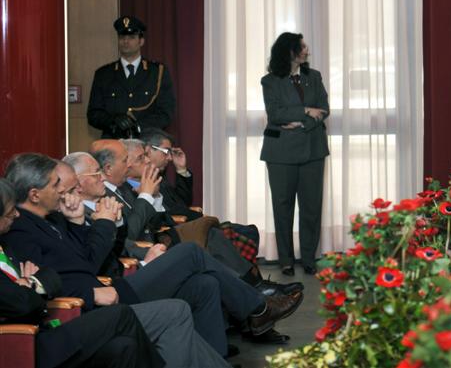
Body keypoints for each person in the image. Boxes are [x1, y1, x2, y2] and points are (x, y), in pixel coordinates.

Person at [2, 153, 302, 358]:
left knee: (204, 284)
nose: (65, 191)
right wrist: (102, 225)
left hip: (116, 282)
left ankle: (219, 353)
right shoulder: (22, 231)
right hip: (105, 294)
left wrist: (80, 223)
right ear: (35, 194)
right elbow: (82, 268)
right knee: (190, 253)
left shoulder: (52, 219)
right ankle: (258, 307)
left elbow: (84, 258)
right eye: (57, 185)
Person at [0, 177, 166, 368]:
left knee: (123, 347)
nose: (16, 214)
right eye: (10, 212)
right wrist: (34, 284)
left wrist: (31, 283)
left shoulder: (5, 245)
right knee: (122, 313)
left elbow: (51, 278)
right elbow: (22, 303)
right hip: (24, 344)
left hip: (48, 326)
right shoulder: (18, 235)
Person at [261, 32, 329, 276]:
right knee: (283, 207)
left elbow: (324, 109)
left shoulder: (314, 77)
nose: (306, 50)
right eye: (302, 47)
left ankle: (309, 258)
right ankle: (286, 260)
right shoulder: (270, 81)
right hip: (280, 153)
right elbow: (275, 114)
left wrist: (301, 122)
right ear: (289, 52)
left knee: (311, 208)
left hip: (313, 150)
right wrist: (306, 111)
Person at [87, 16, 176, 138]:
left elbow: (166, 113)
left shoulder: (157, 72)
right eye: (122, 37)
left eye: (131, 37)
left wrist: (138, 127)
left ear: (141, 41)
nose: (126, 41)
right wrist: (113, 121)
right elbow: (93, 114)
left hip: (146, 141)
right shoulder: (103, 74)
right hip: (114, 141)